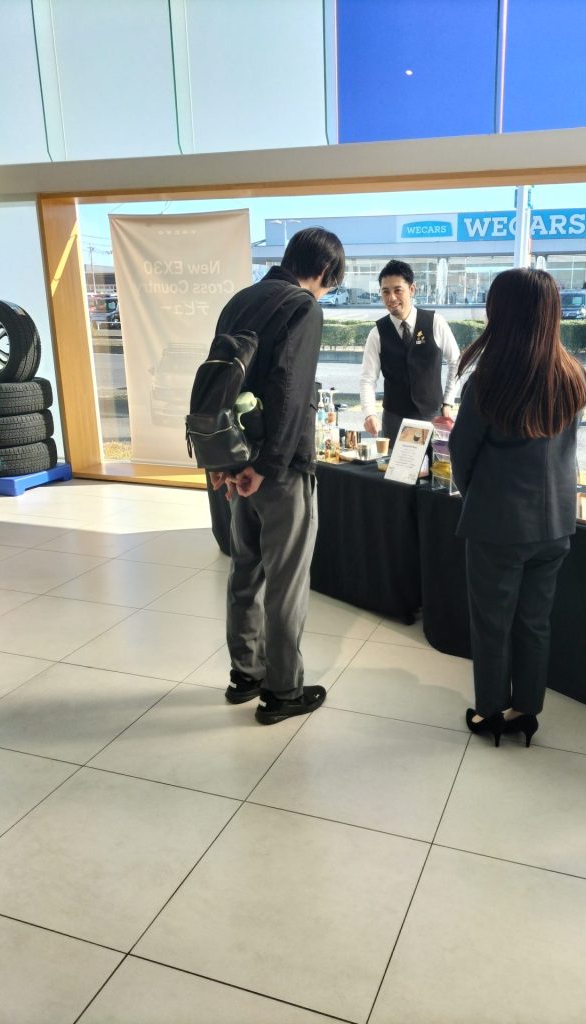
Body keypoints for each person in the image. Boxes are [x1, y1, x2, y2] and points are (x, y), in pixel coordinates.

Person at [209, 227, 345, 725]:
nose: (326, 293)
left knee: (245, 568)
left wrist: (226, 463)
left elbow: (218, 383)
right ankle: (283, 691)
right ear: (324, 271)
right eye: (331, 284)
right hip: (279, 469)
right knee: (286, 580)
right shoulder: (302, 307)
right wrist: (266, 469)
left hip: (234, 456)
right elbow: (290, 391)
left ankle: (245, 674)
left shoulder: (240, 301)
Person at [449, 268, 586, 747]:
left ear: (500, 312)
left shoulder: (488, 380)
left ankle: (489, 711)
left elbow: (462, 455)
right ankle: (527, 710)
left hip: (498, 524)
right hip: (556, 525)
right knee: (534, 622)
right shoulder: (573, 375)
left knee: (492, 624)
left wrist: (478, 495)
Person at [359, 259, 460, 441]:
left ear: (412, 289)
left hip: (432, 417)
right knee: (392, 460)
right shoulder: (377, 333)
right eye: (385, 291)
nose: (391, 298)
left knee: (434, 460)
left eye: (398, 290)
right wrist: (369, 413)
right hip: (394, 420)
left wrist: (448, 401)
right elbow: (368, 378)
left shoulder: (435, 322)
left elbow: (456, 361)